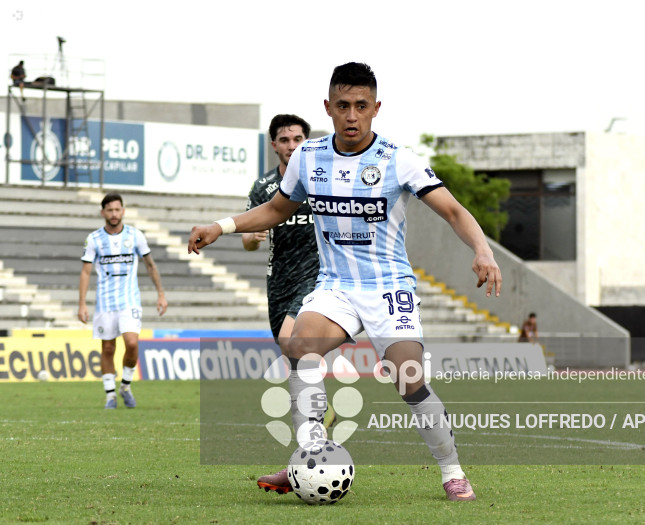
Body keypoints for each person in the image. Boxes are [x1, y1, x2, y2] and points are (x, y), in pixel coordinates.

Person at [188, 62, 502, 502]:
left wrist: (483, 250)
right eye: (342, 106)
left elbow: (453, 210)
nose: (351, 115)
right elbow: (276, 209)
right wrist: (221, 226)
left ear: (376, 108)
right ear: (328, 107)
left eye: (360, 105)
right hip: (336, 286)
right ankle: (309, 458)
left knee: (408, 378)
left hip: (388, 286)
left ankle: (453, 472)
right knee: (299, 347)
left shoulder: (398, 160)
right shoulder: (308, 157)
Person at [242, 114, 336, 444]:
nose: (291, 146)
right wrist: (252, 238)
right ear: (274, 145)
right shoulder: (263, 188)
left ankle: (313, 432)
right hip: (279, 278)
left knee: (290, 340)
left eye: (298, 139)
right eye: (284, 140)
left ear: (307, 142)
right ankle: (318, 417)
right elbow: (248, 240)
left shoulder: (320, 178)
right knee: (290, 353)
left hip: (315, 274)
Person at [79, 193, 168, 409]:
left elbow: (150, 265)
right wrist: (82, 303)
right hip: (105, 302)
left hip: (130, 300)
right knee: (108, 348)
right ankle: (110, 394)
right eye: (110, 210)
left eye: (117, 209)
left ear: (123, 211)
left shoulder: (135, 236)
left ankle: (125, 386)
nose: (114, 214)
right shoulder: (94, 239)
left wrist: (161, 293)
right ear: (103, 212)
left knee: (132, 343)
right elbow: (85, 271)